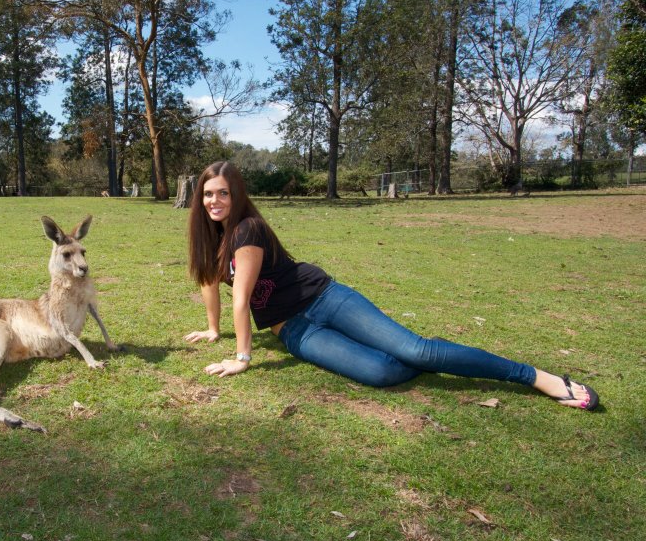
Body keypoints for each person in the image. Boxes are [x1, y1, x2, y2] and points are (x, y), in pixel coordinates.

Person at [184, 161, 598, 411]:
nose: (214, 201)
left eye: (223, 193)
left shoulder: (248, 230)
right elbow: (210, 283)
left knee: (414, 349)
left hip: (326, 299)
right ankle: (436, 358)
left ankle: (533, 376)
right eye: (208, 195)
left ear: (237, 194)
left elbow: (241, 300)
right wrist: (212, 328)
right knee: (381, 371)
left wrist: (242, 357)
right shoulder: (211, 238)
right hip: (293, 329)